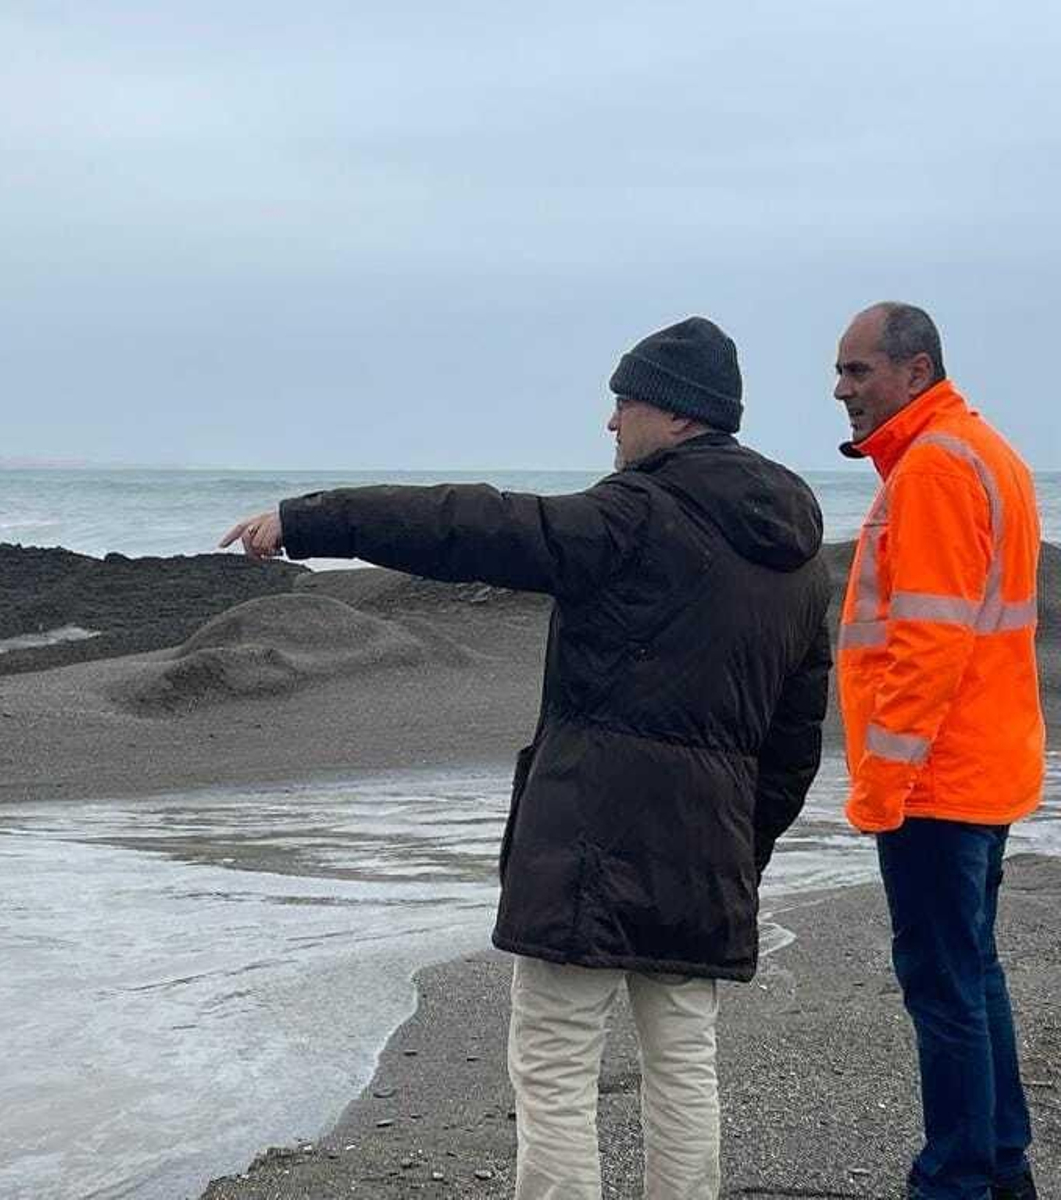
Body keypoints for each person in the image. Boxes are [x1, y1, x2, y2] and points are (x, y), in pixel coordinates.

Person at [221, 317, 832, 1198]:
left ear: (676, 414)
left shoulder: (633, 517)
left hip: (590, 835)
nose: (610, 425)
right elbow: (793, 740)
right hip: (710, 848)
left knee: (554, 1062)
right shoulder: (799, 561)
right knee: (684, 1061)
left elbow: (471, 523)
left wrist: (309, 519)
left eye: (622, 403)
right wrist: (741, 845)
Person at [832, 302, 1043, 1200]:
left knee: (945, 985)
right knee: (972, 971)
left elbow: (928, 644)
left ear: (915, 372)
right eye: (840, 374)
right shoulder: (985, 452)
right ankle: (1000, 1167)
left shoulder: (935, 467)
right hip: (984, 767)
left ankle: (957, 1178)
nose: (842, 390)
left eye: (858, 371)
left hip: (938, 778)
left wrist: (883, 785)